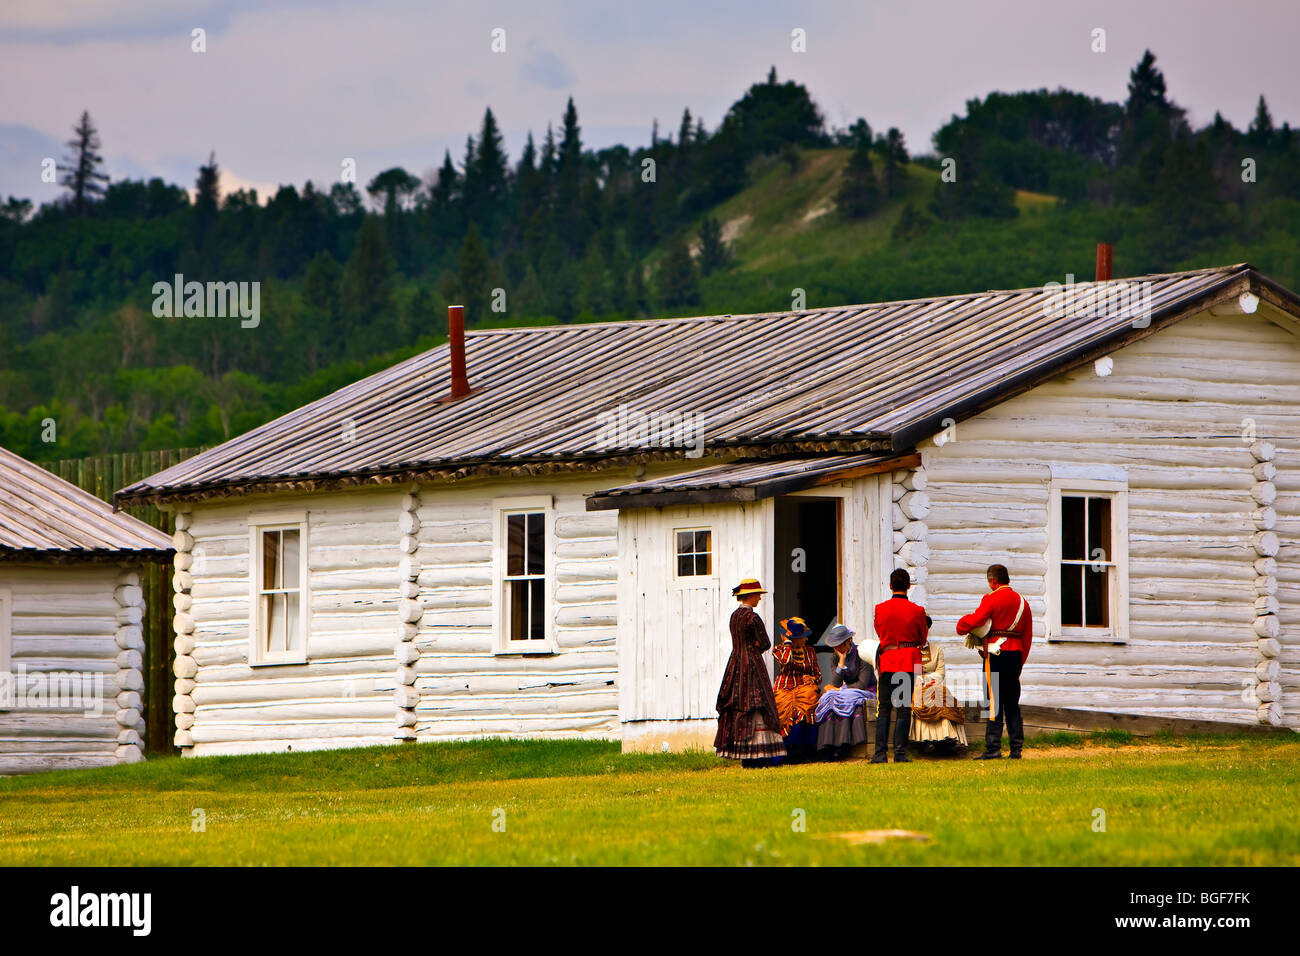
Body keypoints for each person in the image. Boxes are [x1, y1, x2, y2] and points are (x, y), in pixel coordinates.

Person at [956, 564, 1032, 760]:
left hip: (996, 653)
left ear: (993, 581)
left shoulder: (991, 599)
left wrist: (961, 624)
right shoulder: (1023, 602)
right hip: (1016, 654)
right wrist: (1020, 662)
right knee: (1012, 703)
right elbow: (1027, 637)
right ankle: (1016, 749)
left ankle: (993, 748)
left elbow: (976, 620)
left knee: (993, 701)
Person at [715, 579, 786, 767]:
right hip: (753, 664)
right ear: (750, 596)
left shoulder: (733, 617)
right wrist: (755, 646)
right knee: (757, 702)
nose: (760, 599)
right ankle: (760, 755)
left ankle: (745, 754)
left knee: (739, 703)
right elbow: (765, 643)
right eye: (758, 595)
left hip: (736, 664)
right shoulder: (753, 618)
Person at [871, 568, 928, 764]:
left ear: (890, 586)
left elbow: (880, 632)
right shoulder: (917, 611)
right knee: (903, 708)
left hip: (887, 661)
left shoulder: (880, 609)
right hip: (907, 661)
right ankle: (900, 753)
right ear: (909, 586)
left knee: (884, 707)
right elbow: (922, 637)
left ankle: (879, 753)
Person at [814, 624, 877, 759]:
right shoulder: (835, 657)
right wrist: (841, 661)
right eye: (835, 646)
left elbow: (862, 684)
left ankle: (843, 745)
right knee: (829, 696)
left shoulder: (861, 654)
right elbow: (836, 683)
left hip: (866, 690)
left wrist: (841, 689)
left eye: (840, 645)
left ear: (849, 641)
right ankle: (827, 745)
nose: (837, 648)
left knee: (845, 696)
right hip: (847, 691)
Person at [772, 617, 822, 762]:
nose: (805, 640)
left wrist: (812, 679)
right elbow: (786, 662)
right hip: (784, 688)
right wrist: (787, 644)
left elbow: (818, 674)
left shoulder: (810, 651)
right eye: (802, 637)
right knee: (782, 708)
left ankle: (804, 752)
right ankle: (786, 754)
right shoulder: (779, 650)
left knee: (810, 697)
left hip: (804, 687)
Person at [909, 642, 967, 754]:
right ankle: (925, 741)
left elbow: (941, 671)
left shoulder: (936, 649)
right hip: (914, 685)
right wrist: (920, 681)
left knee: (942, 693)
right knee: (920, 697)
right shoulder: (909, 649)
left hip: (934, 683)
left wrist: (928, 680)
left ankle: (946, 738)